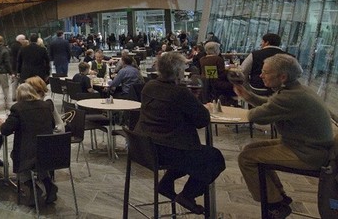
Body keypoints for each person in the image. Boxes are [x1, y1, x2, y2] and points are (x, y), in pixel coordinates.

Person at [234, 54, 338, 219]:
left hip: (308, 153)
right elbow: (272, 106)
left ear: (282, 76)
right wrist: (248, 97)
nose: (261, 76)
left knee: (246, 158)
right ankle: (279, 197)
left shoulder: (290, 97)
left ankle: (275, 205)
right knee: (250, 149)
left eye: (265, 72)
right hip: (309, 146)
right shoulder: (297, 90)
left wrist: (248, 102)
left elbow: (256, 116)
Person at [134, 51, 225, 215]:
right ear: (178, 71)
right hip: (166, 150)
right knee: (214, 158)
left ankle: (166, 184)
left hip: (145, 147)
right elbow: (202, 121)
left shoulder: (149, 86)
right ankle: (188, 195)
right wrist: (194, 100)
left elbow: (168, 111)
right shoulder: (180, 93)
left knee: (195, 155)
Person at [0, 83, 58, 205]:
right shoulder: (46, 105)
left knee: (15, 156)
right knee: (38, 160)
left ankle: (32, 187)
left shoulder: (17, 108)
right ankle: (48, 185)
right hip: (49, 151)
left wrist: (3, 123)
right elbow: (52, 125)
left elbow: (5, 130)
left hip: (28, 154)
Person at [9, 34, 26, 101]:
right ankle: (21, 96)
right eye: (23, 39)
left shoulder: (12, 45)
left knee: (14, 83)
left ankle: (14, 96)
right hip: (18, 66)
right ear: (20, 40)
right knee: (20, 82)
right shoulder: (20, 47)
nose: (24, 40)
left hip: (13, 66)